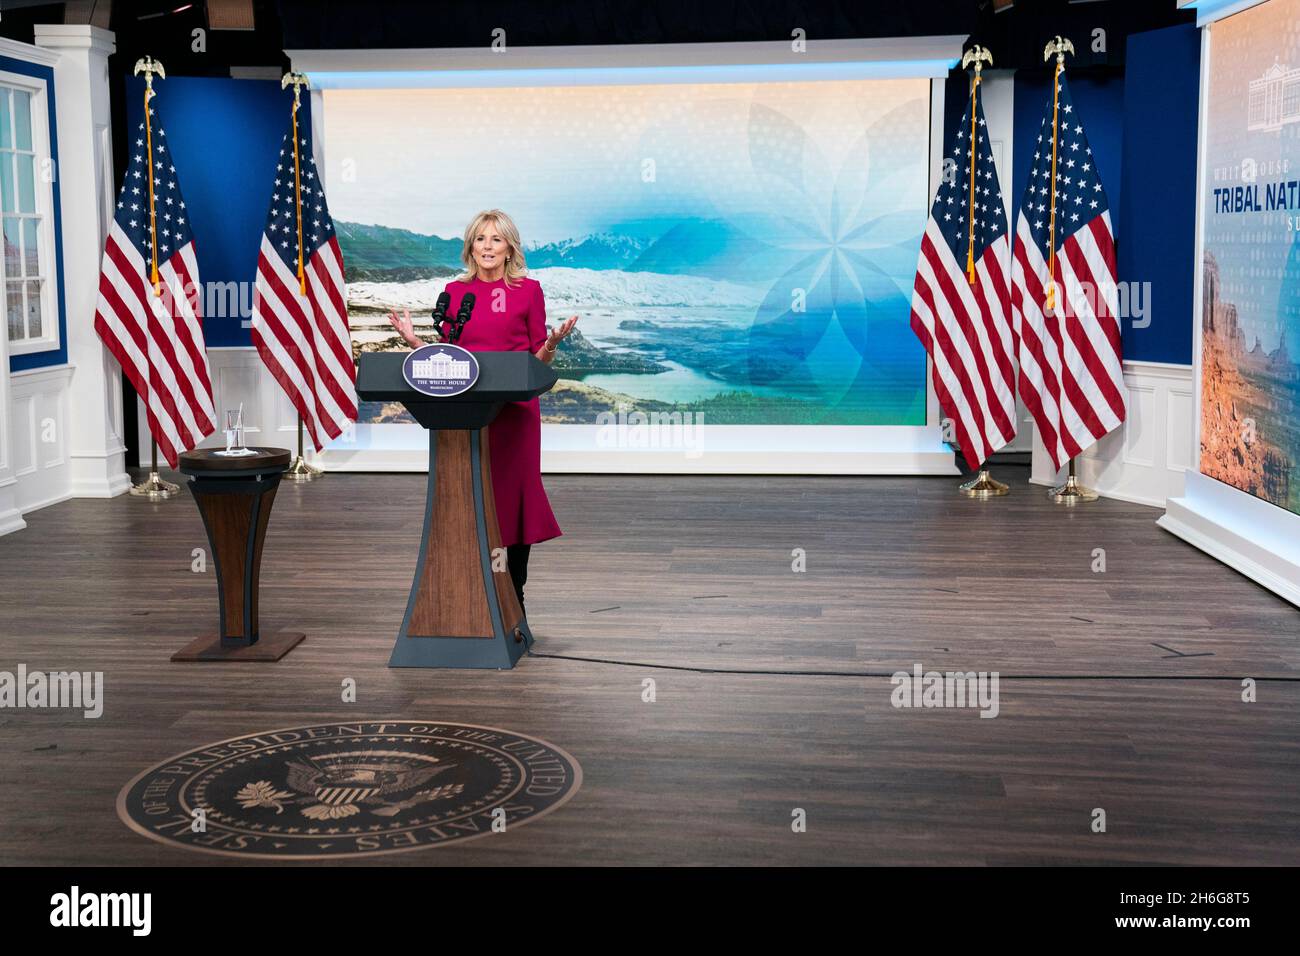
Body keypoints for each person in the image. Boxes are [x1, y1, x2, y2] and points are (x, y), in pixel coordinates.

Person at [388, 209, 577, 613]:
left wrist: (554, 342)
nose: (487, 246)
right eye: (480, 239)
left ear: (510, 248)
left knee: (513, 499)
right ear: (470, 247)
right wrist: (414, 343)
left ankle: (515, 597)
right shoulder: (455, 293)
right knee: (471, 497)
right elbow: (448, 361)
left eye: (496, 239)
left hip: (516, 414)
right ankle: (474, 595)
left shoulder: (529, 290)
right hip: (468, 414)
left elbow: (535, 361)